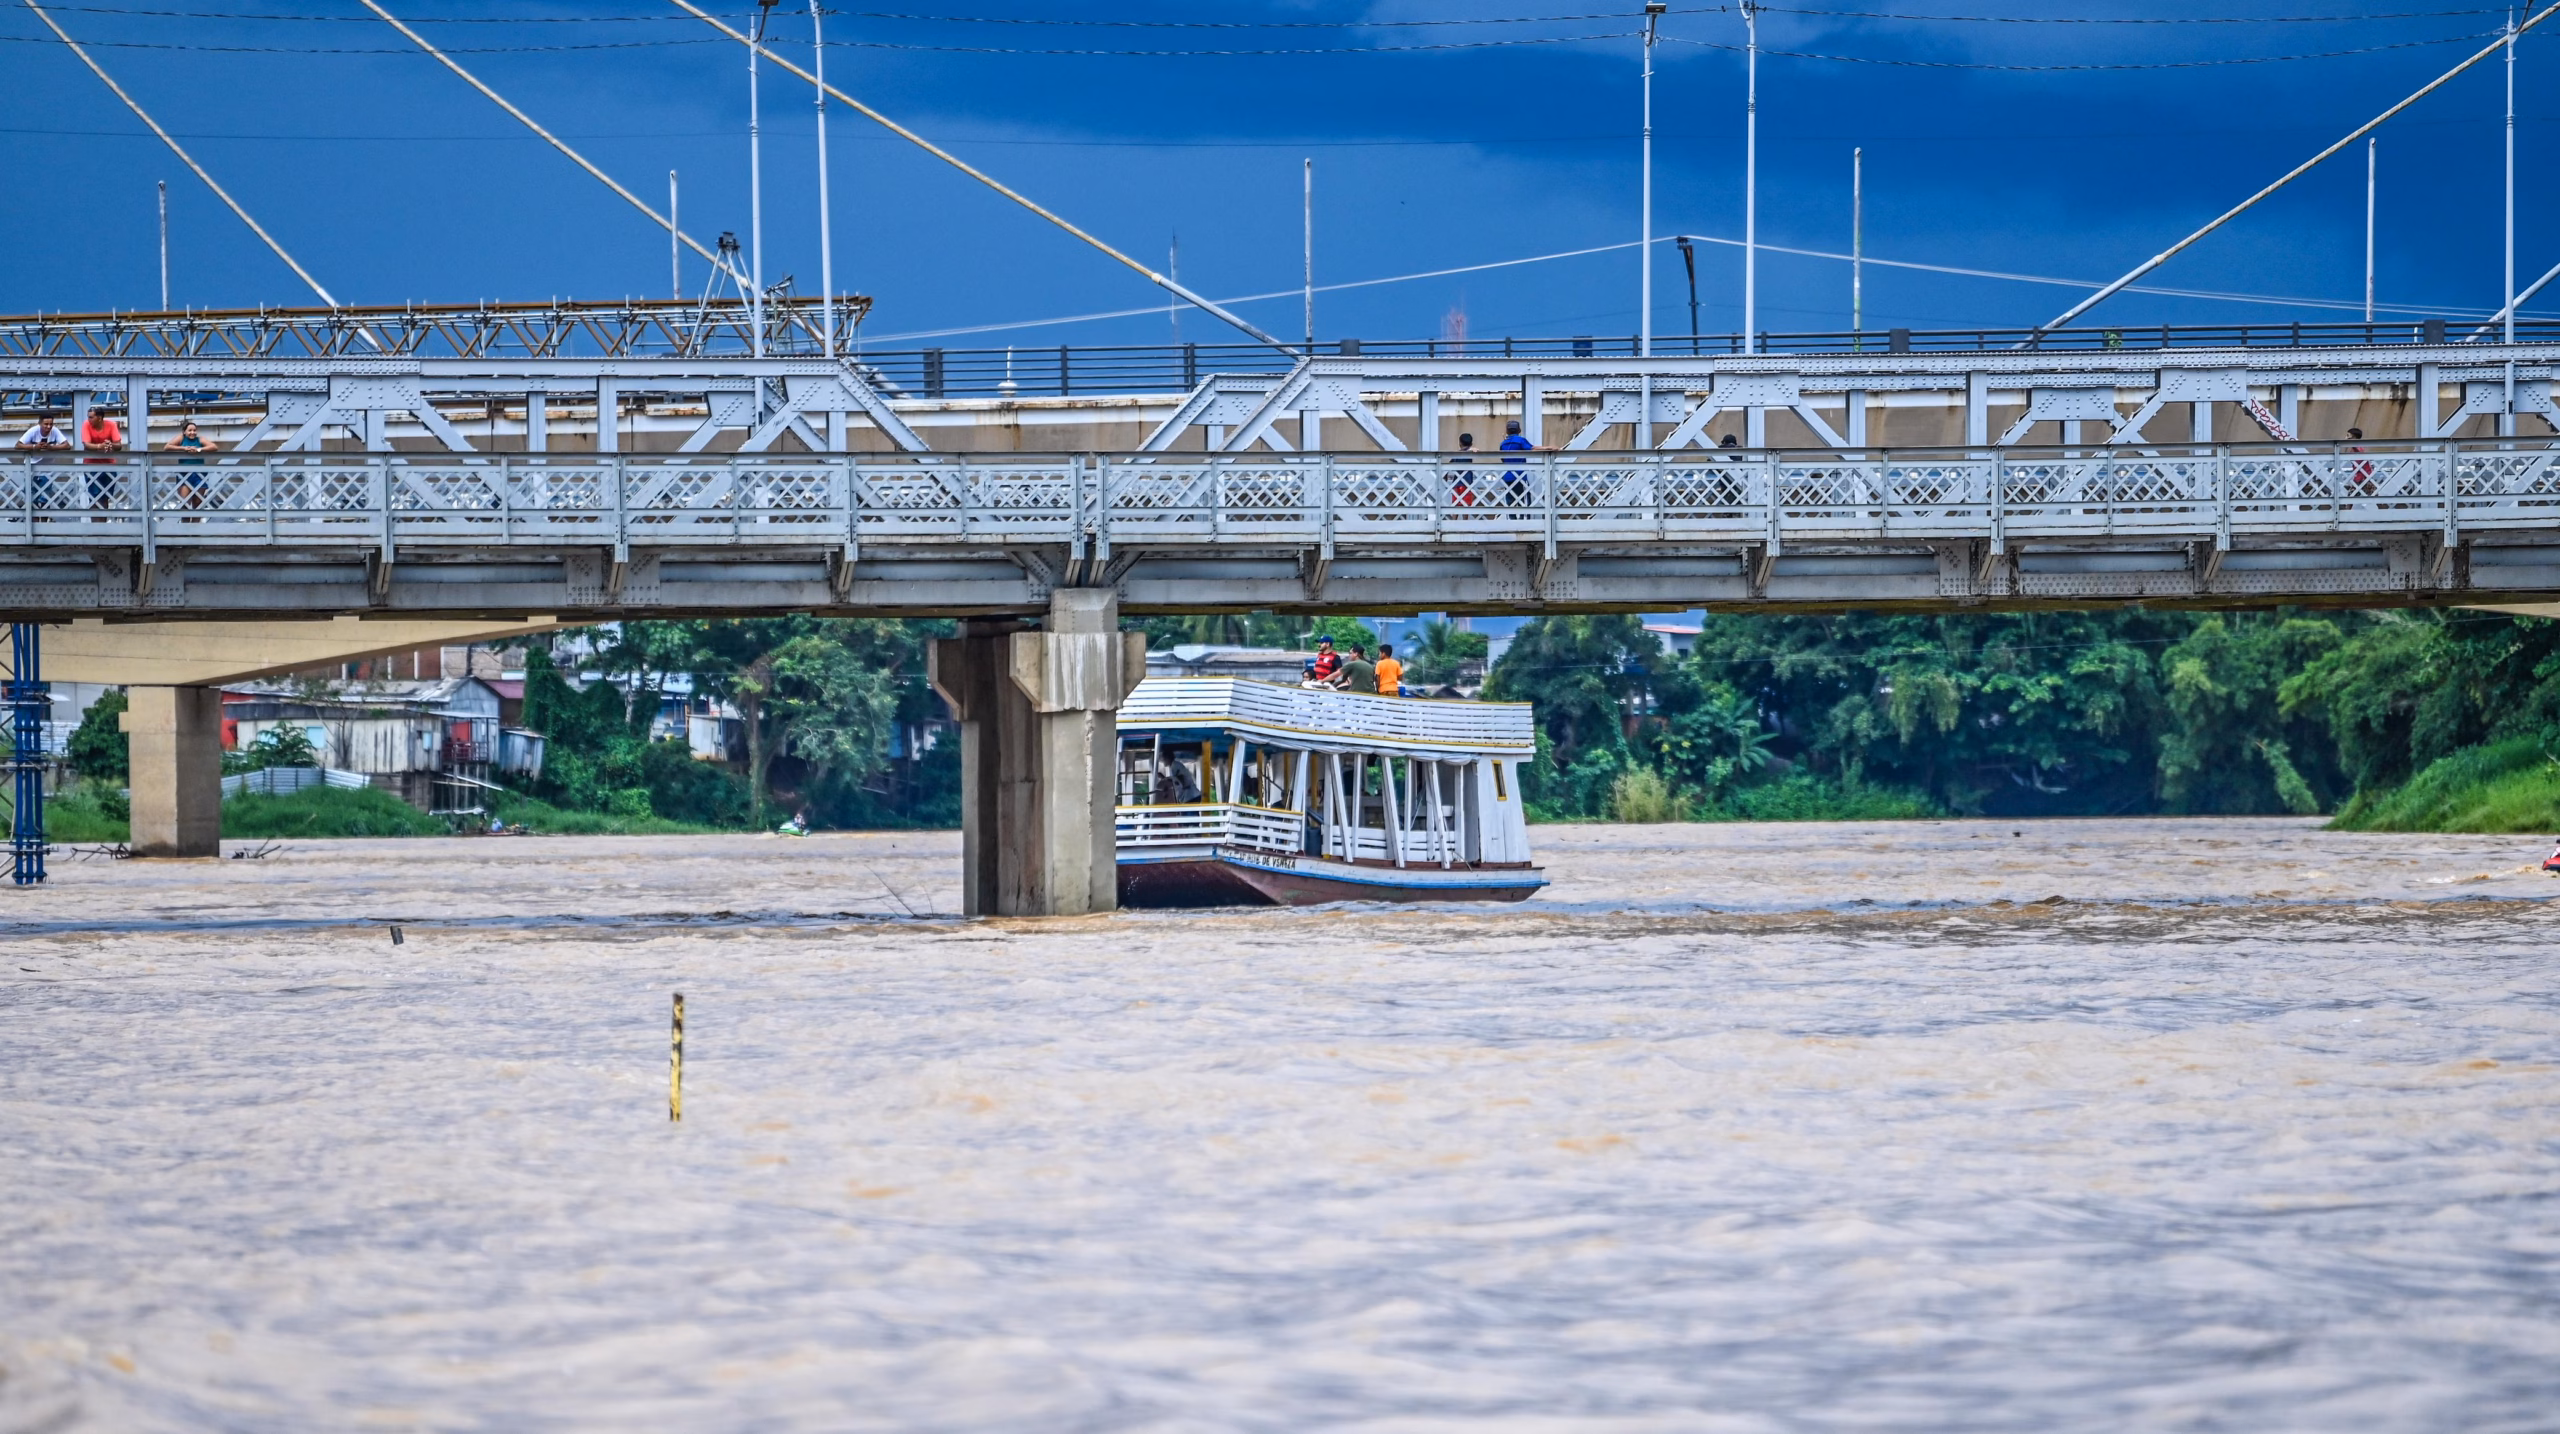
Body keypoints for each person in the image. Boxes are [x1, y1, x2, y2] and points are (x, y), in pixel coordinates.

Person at [165, 419, 215, 510]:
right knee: (185, 504)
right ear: (184, 432)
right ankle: (186, 524)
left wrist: (199, 450)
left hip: (199, 474)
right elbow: (167, 447)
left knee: (198, 504)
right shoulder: (181, 438)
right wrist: (184, 448)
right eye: (190, 430)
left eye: (194, 430)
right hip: (184, 474)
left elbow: (214, 447)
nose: (192, 432)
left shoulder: (200, 439)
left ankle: (196, 524)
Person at [1447, 431, 1477, 507]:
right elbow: (1474, 450)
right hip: (1467, 483)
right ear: (1471, 444)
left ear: (1459, 443)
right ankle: (1465, 519)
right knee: (1466, 505)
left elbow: (1449, 464)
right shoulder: (1469, 452)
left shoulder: (1456, 455)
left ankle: (1454, 519)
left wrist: (1445, 476)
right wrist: (1472, 449)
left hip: (1456, 483)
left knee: (1455, 504)